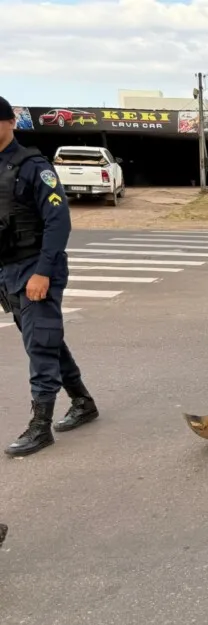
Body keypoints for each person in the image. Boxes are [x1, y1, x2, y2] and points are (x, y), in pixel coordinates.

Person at [0, 96, 98, 457]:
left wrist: (42, 273)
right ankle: (83, 403)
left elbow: (59, 221)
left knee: (40, 345)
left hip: (37, 265)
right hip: (9, 270)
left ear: (10, 122)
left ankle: (40, 426)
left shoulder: (33, 166)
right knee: (46, 339)